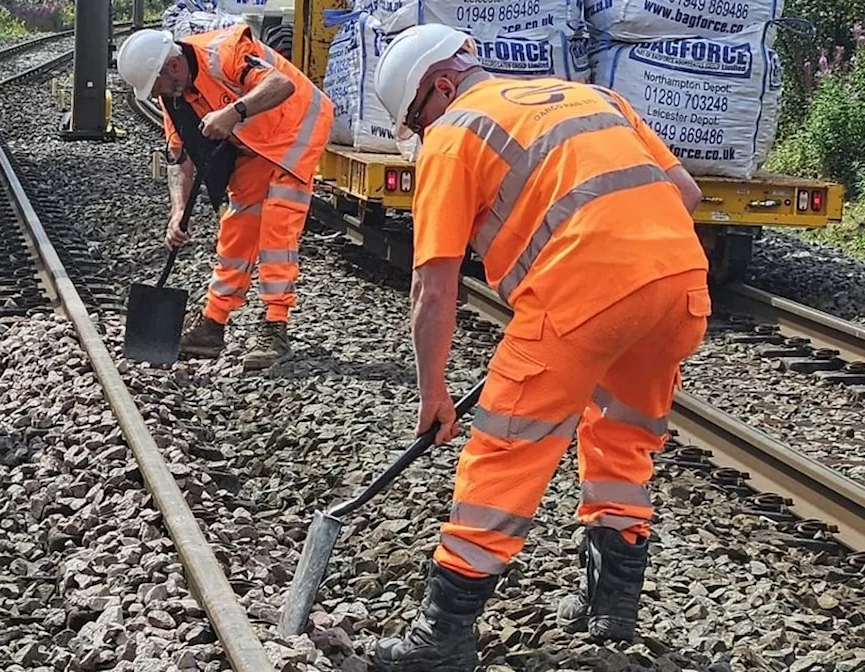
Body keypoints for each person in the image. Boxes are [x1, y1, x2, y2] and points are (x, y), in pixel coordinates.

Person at [367, 24, 712, 671]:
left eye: (417, 117)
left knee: (506, 447)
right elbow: (686, 195)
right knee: (624, 432)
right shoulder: (593, 98)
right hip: (680, 284)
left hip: (583, 291)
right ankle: (613, 605)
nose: (422, 132)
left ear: (441, 85)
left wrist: (433, 393)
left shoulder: (455, 134)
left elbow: (434, 289)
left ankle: (441, 638)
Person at [114, 26, 333, 370]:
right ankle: (212, 326)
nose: (156, 94)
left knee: (277, 226)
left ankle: (275, 328)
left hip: (296, 127)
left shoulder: (224, 52)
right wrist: (177, 213)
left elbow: (281, 85)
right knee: (237, 224)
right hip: (256, 141)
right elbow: (180, 158)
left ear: (172, 66)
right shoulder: (173, 96)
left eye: (155, 85)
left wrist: (233, 113)